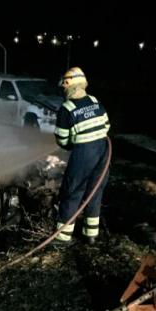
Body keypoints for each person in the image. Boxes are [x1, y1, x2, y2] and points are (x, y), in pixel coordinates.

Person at [53, 67, 110, 247]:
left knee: (72, 192)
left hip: (83, 153)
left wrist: (72, 145)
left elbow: (62, 139)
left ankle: (63, 238)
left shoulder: (66, 108)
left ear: (68, 85)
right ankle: (91, 235)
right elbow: (106, 124)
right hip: (103, 151)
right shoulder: (94, 100)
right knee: (95, 192)